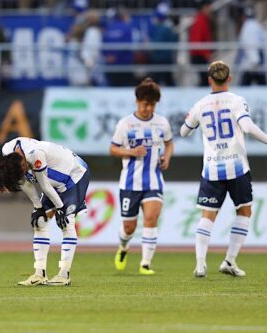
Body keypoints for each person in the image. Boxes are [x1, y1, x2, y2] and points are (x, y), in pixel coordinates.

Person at [180, 60, 267, 278]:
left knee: (207, 216)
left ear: (209, 79)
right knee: (244, 211)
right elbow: (247, 127)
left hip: (211, 168)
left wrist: (188, 122)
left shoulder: (200, 105)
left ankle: (200, 265)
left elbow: (183, 132)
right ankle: (229, 260)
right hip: (237, 167)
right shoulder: (237, 101)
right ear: (229, 78)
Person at [0, 137, 90, 286]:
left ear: (23, 162)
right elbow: (25, 183)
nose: (25, 171)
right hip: (53, 181)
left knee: (66, 222)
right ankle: (39, 274)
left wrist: (60, 207)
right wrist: (38, 207)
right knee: (39, 222)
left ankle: (64, 274)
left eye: (24, 170)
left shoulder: (36, 154)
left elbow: (43, 185)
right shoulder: (8, 152)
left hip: (73, 176)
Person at [110, 78, 174, 275]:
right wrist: (131, 152)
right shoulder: (126, 124)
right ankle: (123, 247)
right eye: (145, 104)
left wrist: (167, 158)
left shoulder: (162, 123)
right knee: (129, 228)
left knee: (151, 219)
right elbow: (113, 149)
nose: (148, 108)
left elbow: (169, 143)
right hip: (130, 183)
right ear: (137, 101)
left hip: (154, 181)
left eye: (152, 104)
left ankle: (145, 264)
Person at [237, 7, 265, 86]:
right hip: (255, 63)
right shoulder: (256, 25)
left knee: (245, 87)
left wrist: (254, 61)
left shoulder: (249, 26)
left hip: (252, 64)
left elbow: (251, 43)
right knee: (261, 85)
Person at [189, 0, 213, 86]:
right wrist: (207, 54)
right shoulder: (200, 21)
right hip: (199, 56)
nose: (210, 10)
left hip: (200, 55)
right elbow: (196, 42)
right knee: (204, 81)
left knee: (205, 80)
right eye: (208, 7)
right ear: (204, 8)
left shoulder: (202, 20)